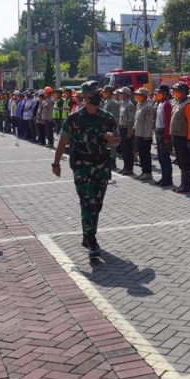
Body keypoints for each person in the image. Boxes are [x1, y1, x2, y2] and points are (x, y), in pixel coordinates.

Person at [51, 81, 120, 257]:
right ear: (85, 96)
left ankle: (87, 234)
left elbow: (118, 140)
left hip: (101, 166)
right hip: (82, 166)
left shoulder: (107, 117)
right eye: (94, 93)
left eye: (99, 93)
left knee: (97, 204)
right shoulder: (74, 119)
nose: (98, 96)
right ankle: (91, 239)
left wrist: (112, 139)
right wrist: (56, 163)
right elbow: (62, 141)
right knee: (87, 202)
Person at [169, 82, 190, 194]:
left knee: (185, 162)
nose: (174, 93)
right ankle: (182, 184)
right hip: (176, 136)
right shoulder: (178, 103)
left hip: (184, 138)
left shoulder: (188, 105)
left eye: (176, 91)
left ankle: (187, 185)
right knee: (180, 161)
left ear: (183, 92)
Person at [153, 85, 174, 187]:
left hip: (163, 132)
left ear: (165, 93)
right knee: (161, 157)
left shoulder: (167, 104)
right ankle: (163, 177)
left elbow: (168, 121)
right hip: (158, 131)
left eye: (160, 92)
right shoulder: (160, 103)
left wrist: (166, 136)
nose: (158, 94)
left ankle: (168, 179)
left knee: (165, 157)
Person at [133, 87, 156, 181]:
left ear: (144, 96)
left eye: (138, 95)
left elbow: (148, 122)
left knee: (146, 155)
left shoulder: (148, 106)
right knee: (141, 154)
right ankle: (143, 171)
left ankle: (148, 173)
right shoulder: (139, 104)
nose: (136, 96)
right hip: (139, 133)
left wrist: (147, 135)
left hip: (145, 135)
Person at [102, 86, 122, 169]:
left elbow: (115, 117)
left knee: (112, 145)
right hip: (106, 127)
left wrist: (114, 129)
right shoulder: (106, 101)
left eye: (105, 92)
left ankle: (113, 162)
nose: (103, 93)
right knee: (108, 145)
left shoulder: (113, 103)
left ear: (109, 92)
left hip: (111, 127)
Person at [118, 87, 136, 175]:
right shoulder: (122, 103)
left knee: (128, 149)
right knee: (123, 149)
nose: (120, 95)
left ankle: (129, 168)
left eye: (122, 93)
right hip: (121, 128)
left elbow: (131, 119)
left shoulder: (130, 105)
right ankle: (125, 166)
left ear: (127, 95)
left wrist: (130, 131)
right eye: (120, 93)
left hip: (126, 128)